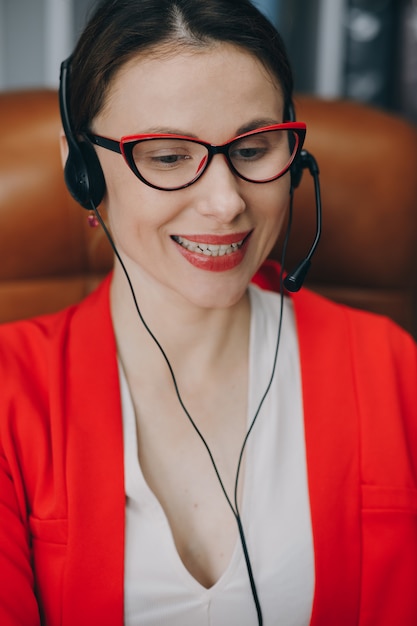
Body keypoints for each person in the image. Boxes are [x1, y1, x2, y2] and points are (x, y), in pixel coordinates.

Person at [0, 0, 416, 624]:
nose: (225, 204)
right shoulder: (9, 393)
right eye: (167, 157)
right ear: (81, 168)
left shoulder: (390, 368)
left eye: (253, 149)